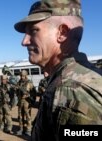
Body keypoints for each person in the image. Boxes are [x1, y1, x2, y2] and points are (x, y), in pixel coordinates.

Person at [14, 0, 102, 140]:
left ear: (62, 33)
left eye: (34, 30)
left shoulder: (70, 90)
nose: (24, 41)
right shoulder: (72, 79)